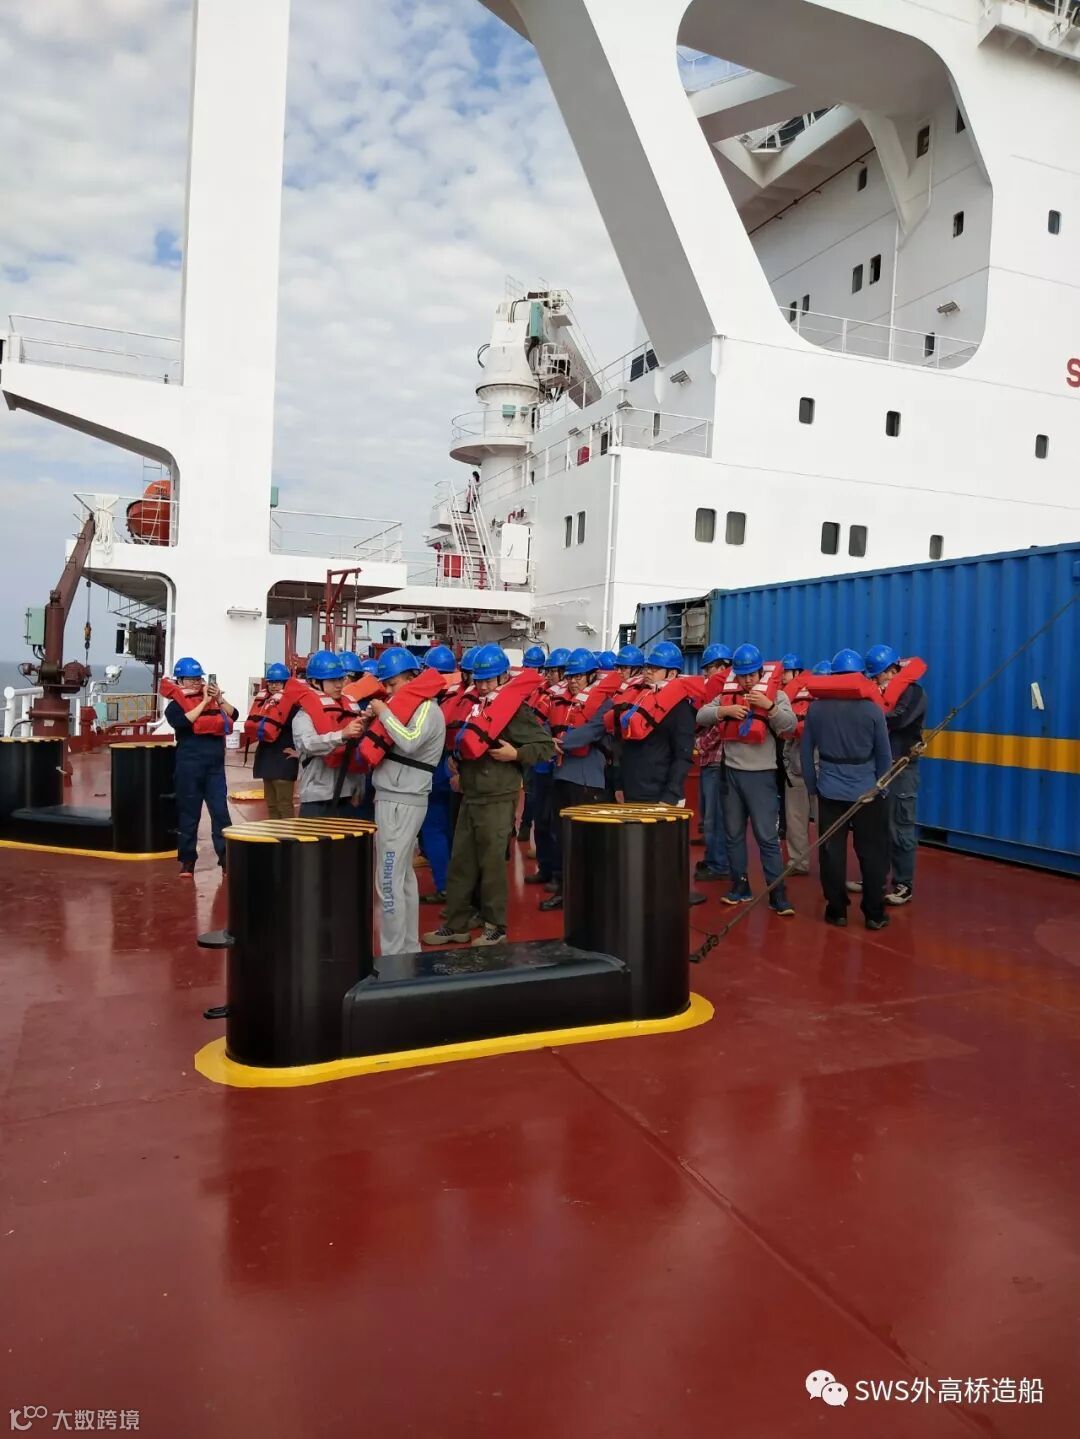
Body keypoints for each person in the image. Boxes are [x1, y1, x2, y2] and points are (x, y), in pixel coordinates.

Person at [423, 644, 554, 947]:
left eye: (488, 680)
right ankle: (455, 923)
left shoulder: (514, 711)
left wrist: (515, 754)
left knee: (492, 865)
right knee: (461, 863)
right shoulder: (478, 707)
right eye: (478, 680)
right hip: (471, 794)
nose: (482, 686)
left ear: (504, 677)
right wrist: (456, 760)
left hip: (497, 797)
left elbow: (545, 746)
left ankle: (496, 926)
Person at [696, 643, 796, 916]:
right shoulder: (726, 697)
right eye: (742, 676)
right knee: (733, 835)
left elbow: (790, 725)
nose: (748, 680)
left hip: (761, 776)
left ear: (761, 672)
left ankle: (777, 894)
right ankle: (739, 886)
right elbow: (701, 715)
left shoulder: (777, 695)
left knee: (767, 837)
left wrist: (770, 707)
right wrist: (724, 712)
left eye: (752, 674)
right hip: (731, 774)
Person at [363, 646, 446, 955]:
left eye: (392, 684)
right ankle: (408, 949)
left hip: (401, 800)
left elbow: (410, 742)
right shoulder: (412, 709)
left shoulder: (426, 709)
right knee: (403, 878)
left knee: (387, 880)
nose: (388, 691)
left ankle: (393, 955)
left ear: (411, 678)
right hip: (398, 797)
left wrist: (383, 713)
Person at [802, 648, 893, 929]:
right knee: (872, 853)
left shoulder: (816, 709)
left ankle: (837, 910)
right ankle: (874, 914)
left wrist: (812, 786)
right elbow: (884, 755)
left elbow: (806, 753)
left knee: (832, 853)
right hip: (867, 791)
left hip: (829, 790)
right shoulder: (872, 709)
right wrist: (882, 787)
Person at [542, 648, 610, 910]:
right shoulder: (559, 701)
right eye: (570, 676)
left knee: (587, 840)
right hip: (561, 776)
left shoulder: (604, 703)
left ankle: (590, 895)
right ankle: (564, 890)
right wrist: (548, 741)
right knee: (561, 837)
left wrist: (557, 743)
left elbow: (592, 730)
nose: (573, 681)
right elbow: (545, 726)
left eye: (578, 676)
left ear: (591, 676)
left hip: (587, 781)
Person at [162, 656, 238, 878]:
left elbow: (234, 715)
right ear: (180, 681)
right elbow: (183, 722)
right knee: (189, 815)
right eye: (191, 679)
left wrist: (219, 699)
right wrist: (204, 702)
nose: (196, 682)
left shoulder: (214, 702)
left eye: (198, 678)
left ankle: (226, 858)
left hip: (214, 767)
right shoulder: (175, 707)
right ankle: (187, 861)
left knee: (221, 814)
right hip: (189, 766)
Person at [866, 642, 926, 907]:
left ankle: (903, 883)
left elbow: (900, 719)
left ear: (891, 670)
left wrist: (872, 714)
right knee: (876, 827)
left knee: (900, 827)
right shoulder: (875, 694)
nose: (876, 680)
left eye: (878, 675)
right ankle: (875, 878)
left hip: (902, 768)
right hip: (877, 767)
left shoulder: (913, 693)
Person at [290, 650, 364, 816]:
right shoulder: (304, 715)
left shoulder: (349, 709)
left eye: (340, 679)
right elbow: (308, 744)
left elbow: (357, 750)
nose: (339, 685)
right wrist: (342, 735)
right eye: (332, 680)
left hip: (346, 794)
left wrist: (359, 787)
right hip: (317, 796)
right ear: (315, 682)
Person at [523, 647, 569, 891]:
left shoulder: (568, 701)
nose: (549, 675)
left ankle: (558, 873)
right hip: (540, 766)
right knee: (540, 820)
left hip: (558, 769)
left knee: (555, 823)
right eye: (548, 670)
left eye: (554, 671)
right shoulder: (544, 695)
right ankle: (545, 867)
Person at [418, 644, 458, 906]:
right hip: (455, 770)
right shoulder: (461, 697)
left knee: (433, 829)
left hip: (433, 772)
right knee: (451, 829)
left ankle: (444, 886)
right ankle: (458, 886)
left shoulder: (426, 703)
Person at [694, 643, 734, 883]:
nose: (706, 674)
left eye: (708, 668)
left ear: (721, 666)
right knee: (710, 815)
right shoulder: (723, 688)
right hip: (711, 760)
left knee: (715, 816)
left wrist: (701, 744)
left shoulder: (726, 689)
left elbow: (721, 726)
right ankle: (712, 859)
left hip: (716, 761)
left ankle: (719, 864)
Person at [249, 662, 298, 820]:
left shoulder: (293, 705)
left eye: (278, 682)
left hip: (284, 760)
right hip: (266, 758)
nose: (274, 686)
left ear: (286, 683)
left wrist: (300, 752)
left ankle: (288, 836)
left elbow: (303, 730)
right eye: (271, 682)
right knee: (271, 804)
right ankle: (275, 835)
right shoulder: (265, 703)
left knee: (284, 804)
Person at [779, 653, 812, 878]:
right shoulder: (784, 697)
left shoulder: (813, 696)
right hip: (794, 765)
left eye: (786, 672)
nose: (782, 677)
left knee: (820, 818)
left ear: (798, 673)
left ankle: (829, 863)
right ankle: (798, 862)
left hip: (817, 764)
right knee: (795, 816)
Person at [517, 643, 548, 842]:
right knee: (516, 786)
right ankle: (515, 826)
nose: (529, 671)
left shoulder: (545, 693)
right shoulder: (519, 688)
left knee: (530, 789)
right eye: (527, 667)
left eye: (533, 668)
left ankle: (525, 825)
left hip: (533, 744)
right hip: (517, 742)